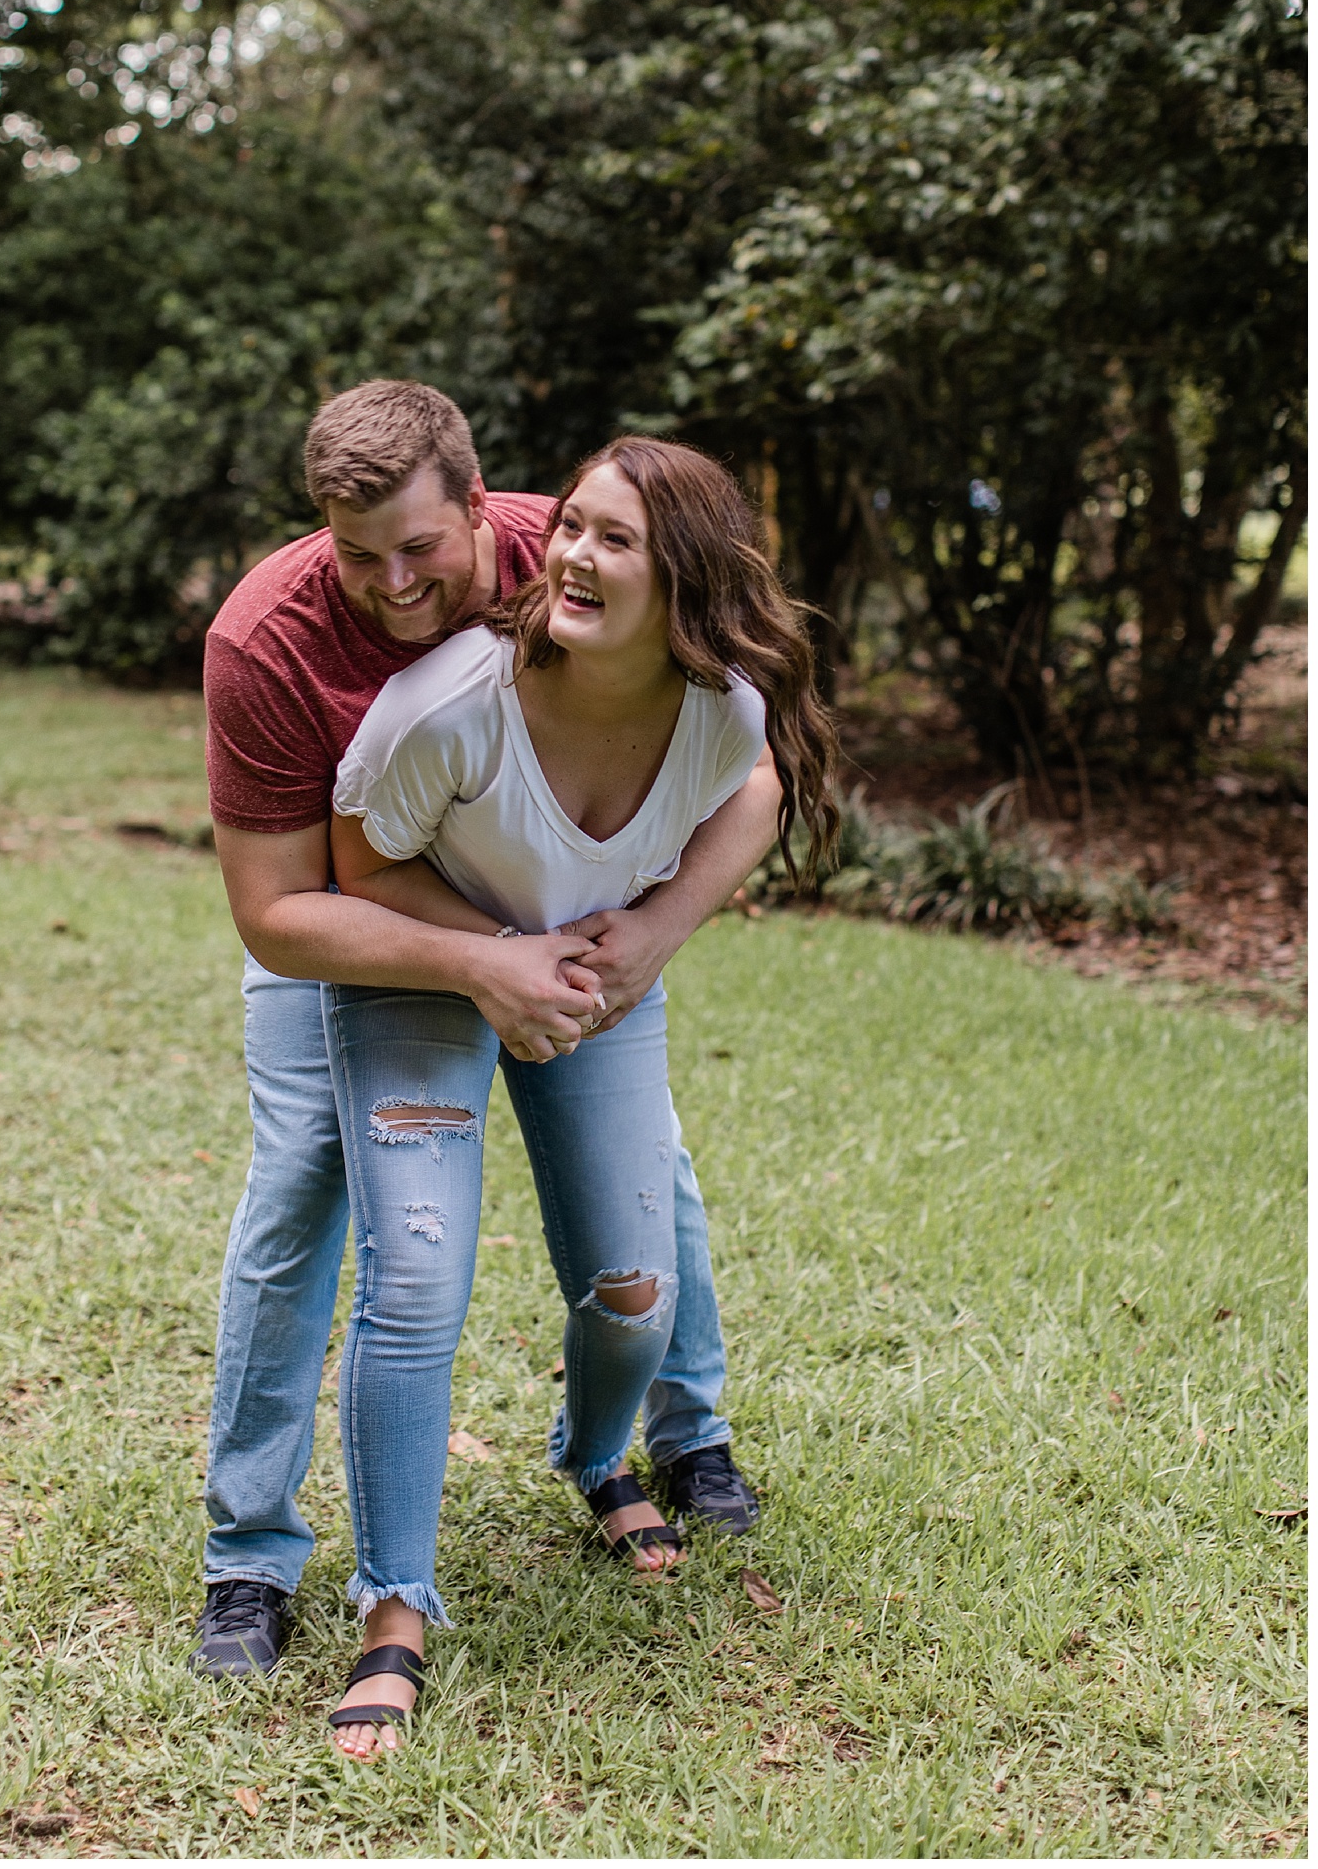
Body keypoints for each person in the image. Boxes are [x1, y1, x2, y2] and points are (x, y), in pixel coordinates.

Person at [193, 383, 784, 1691]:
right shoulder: (266, 644)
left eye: (422, 550)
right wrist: (478, 963)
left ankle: (682, 1435)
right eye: (358, 558)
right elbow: (278, 911)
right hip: (359, 935)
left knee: (644, 1176)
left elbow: (740, 761)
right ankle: (250, 1557)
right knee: (302, 1188)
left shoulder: (565, 555)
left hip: (555, 922)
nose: (395, 586)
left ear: (480, 510)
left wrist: (639, 936)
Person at [323, 435, 838, 1756]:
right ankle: (393, 1609)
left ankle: (597, 1454)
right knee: (417, 1282)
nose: (570, 555)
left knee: (634, 1285)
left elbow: (753, 796)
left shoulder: (717, 710)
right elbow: (358, 870)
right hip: (423, 977)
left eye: (616, 539)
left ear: (687, 586)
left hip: (595, 984)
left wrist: (656, 932)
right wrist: (491, 961)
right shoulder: (451, 707)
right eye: (570, 528)